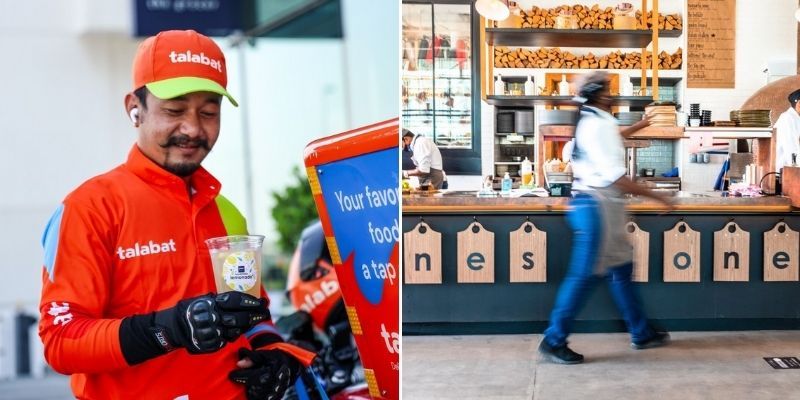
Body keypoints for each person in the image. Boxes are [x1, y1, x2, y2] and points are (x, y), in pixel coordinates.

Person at [38, 30, 315, 399]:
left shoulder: (225, 211)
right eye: (174, 110)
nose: (193, 129)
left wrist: (273, 353)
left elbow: (252, 314)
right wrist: (168, 328)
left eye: (208, 112)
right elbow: (61, 340)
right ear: (134, 108)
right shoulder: (90, 207)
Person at [538, 71, 673, 365]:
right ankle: (553, 339)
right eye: (608, 89)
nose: (612, 94)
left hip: (603, 207)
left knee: (622, 271)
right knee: (583, 277)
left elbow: (613, 137)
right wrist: (659, 196)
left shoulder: (596, 120)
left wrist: (640, 125)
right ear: (599, 94)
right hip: (597, 208)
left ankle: (641, 332)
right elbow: (617, 177)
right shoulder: (594, 124)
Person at [774, 88, 800, 171]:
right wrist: (797, 170)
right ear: (799, 104)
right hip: (781, 174)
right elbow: (792, 149)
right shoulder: (788, 118)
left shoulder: (795, 118)